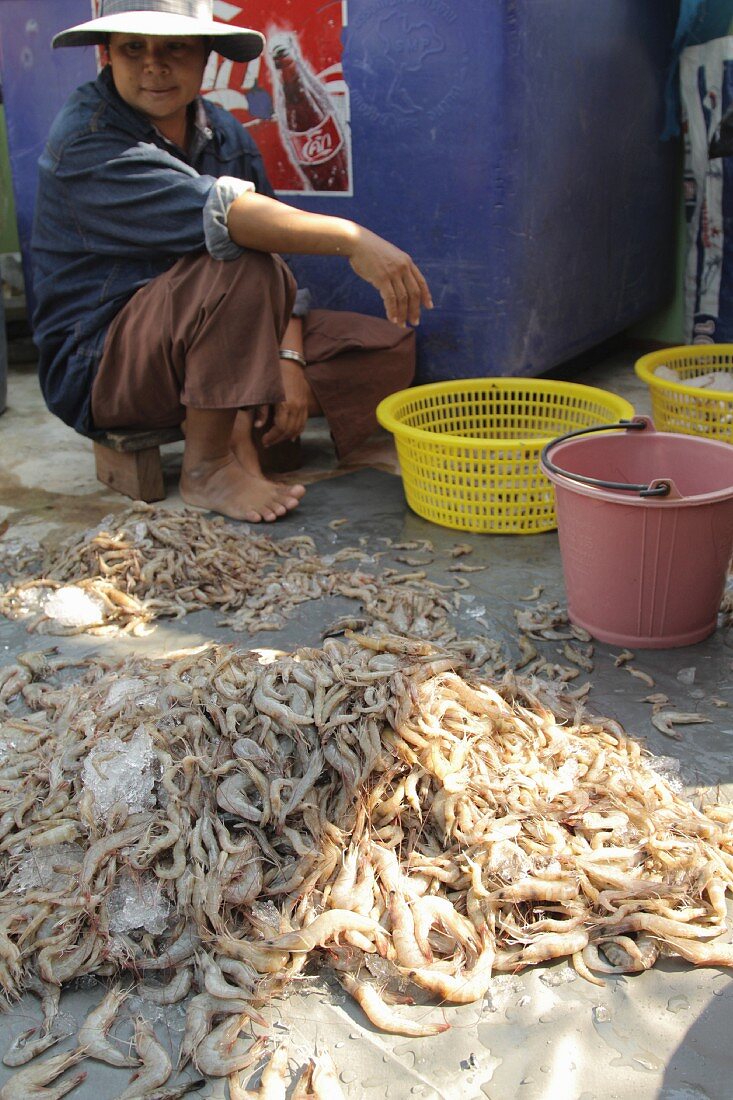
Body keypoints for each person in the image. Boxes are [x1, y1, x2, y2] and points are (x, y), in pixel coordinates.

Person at [31, 0, 432, 523]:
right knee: (237, 265)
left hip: (210, 332)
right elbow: (230, 219)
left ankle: (235, 405)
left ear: (205, 59)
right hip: (104, 361)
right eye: (134, 49)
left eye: (174, 47)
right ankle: (209, 465)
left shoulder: (222, 132)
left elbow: (277, 255)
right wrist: (352, 238)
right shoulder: (86, 138)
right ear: (108, 57)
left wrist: (287, 361)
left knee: (384, 346)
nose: (154, 65)